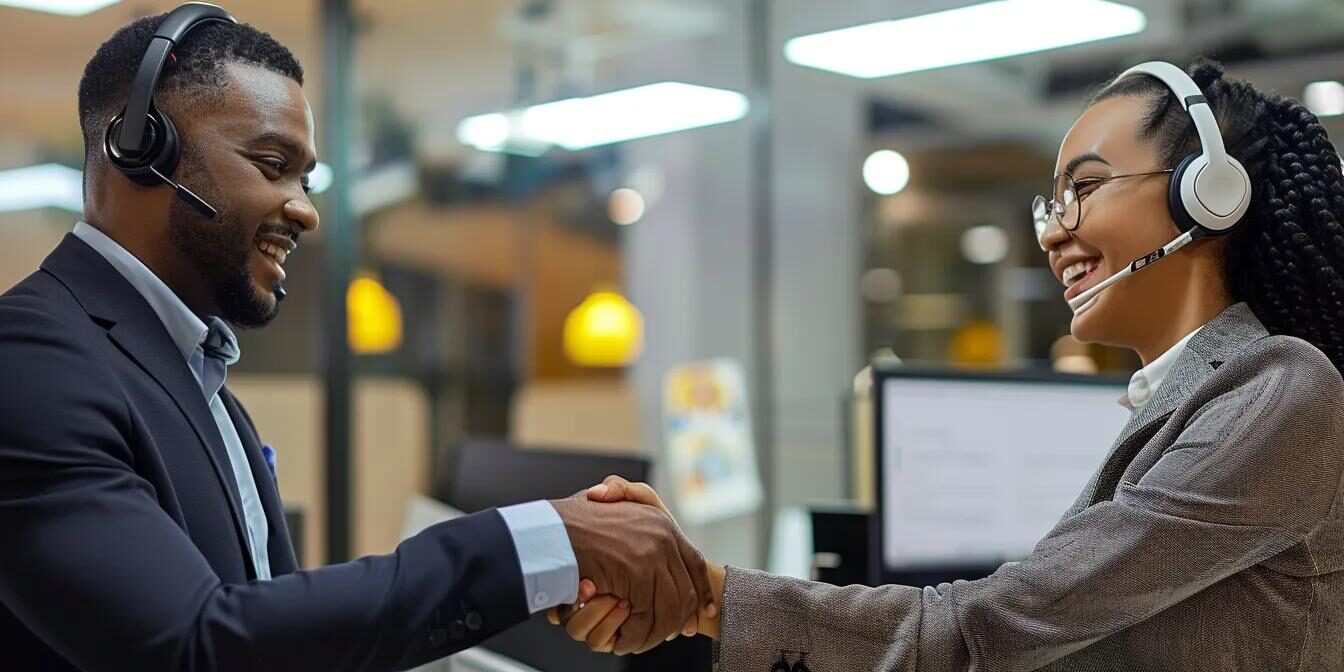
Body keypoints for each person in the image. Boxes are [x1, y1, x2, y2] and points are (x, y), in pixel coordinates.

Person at [556, 59, 1344, 669]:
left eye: (1085, 187)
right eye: (1050, 203)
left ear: (1207, 194)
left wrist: (704, 596)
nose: (1052, 232)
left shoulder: (1280, 390)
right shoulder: (1186, 396)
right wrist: (699, 599)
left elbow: (993, 627)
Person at [0, 5, 711, 670]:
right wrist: (541, 542)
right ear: (140, 150)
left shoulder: (195, 375)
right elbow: (195, 645)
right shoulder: (28, 361)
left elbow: (264, 625)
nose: (306, 212)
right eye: (273, 165)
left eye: (307, 181)